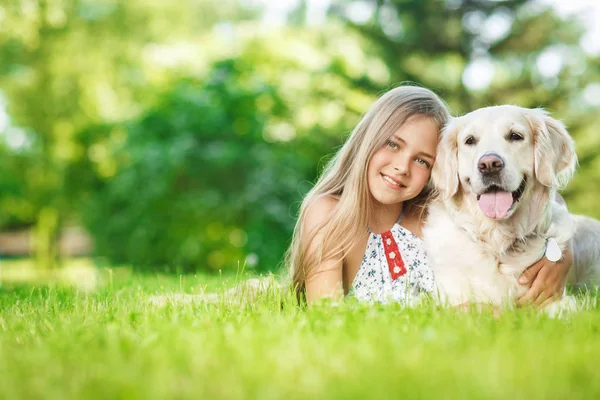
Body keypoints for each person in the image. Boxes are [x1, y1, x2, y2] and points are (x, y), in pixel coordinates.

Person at [286, 85, 573, 306]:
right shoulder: (328, 213)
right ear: (366, 141)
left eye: (422, 160)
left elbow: (549, 202)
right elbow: (325, 313)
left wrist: (560, 254)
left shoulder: (435, 210)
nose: (402, 167)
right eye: (392, 145)